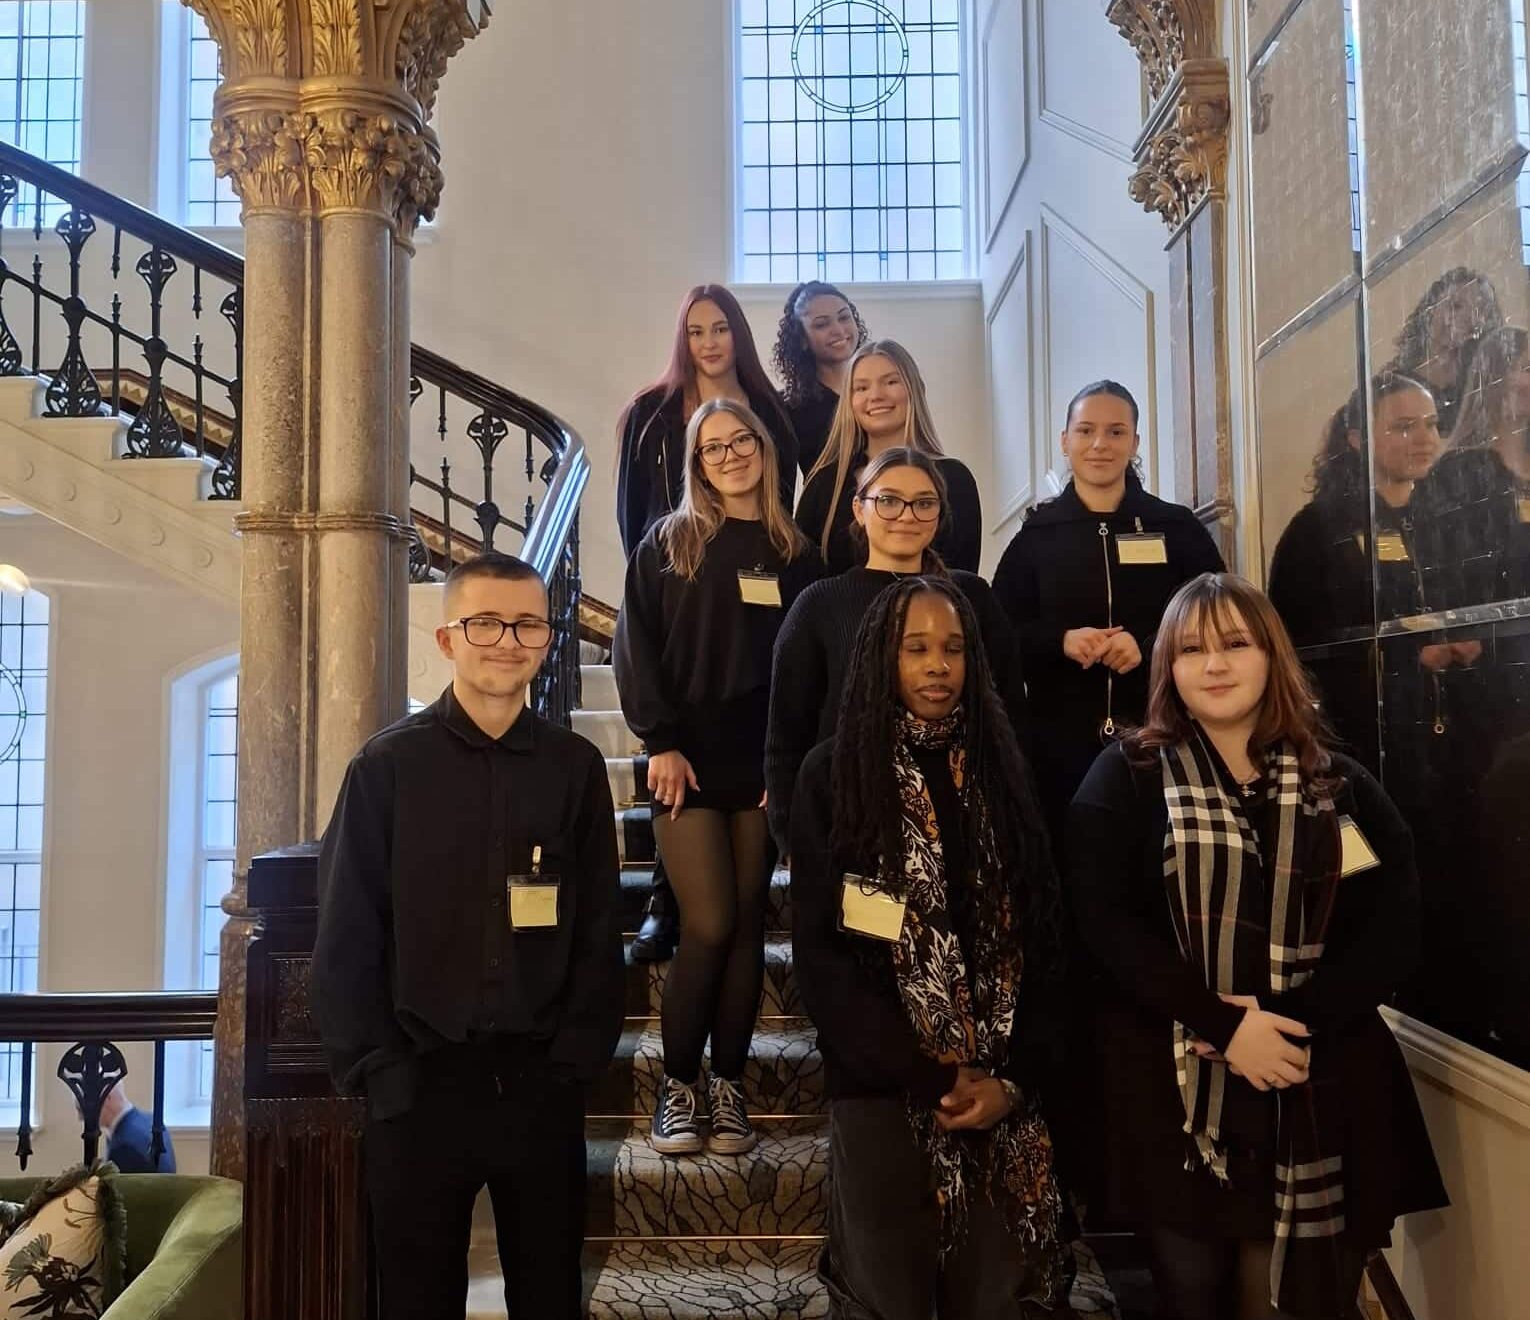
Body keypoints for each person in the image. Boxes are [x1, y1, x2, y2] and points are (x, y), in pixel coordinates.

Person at [1068, 572, 1446, 1320]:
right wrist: (1224, 1025)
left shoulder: (1339, 786)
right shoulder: (1126, 778)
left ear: (1272, 656)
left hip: (1321, 1074)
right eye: (1192, 649)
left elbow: (1395, 926)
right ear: (1166, 668)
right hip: (1176, 1096)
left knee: (1306, 1301)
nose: (1214, 665)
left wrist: (1285, 1017)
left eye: (1235, 645)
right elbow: (1105, 925)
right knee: (1195, 1297)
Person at [311, 551, 625, 1320]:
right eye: (485, 622)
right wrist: (379, 1071)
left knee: (551, 1296)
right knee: (417, 1302)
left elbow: (596, 928)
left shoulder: (575, 768)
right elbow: (348, 931)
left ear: (547, 642)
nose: (505, 640)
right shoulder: (385, 768)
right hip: (418, 1088)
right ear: (449, 638)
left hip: (537, 1085)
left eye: (525, 624)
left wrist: (573, 1061)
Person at [790, 575, 1071, 1320]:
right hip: (882, 1090)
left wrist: (1008, 1083)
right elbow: (822, 957)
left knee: (1001, 1300)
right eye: (915, 649)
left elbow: (1047, 941)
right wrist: (927, 1074)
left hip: (1004, 1090)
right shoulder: (831, 775)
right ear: (883, 658)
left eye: (952, 649)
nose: (937, 666)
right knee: (886, 1301)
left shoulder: (1011, 773)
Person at [612, 398, 820, 1157]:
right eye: (712, 448)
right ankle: (680, 1087)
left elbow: (804, 672)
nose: (730, 455)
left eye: (742, 442)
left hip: (761, 766)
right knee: (708, 923)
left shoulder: (794, 551)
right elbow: (636, 647)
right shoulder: (669, 543)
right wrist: (659, 741)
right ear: (696, 464)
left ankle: (727, 1088)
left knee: (744, 934)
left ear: (764, 449)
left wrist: (787, 761)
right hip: (684, 764)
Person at [992, 379, 1224, 849]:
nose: (1100, 444)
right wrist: (1060, 641)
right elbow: (999, 633)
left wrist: (1147, 643)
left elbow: (1216, 615)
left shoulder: (1176, 527)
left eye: (1116, 432)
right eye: (1086, 431)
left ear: (1135, 442)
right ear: (1065, 440)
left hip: (1164, 731)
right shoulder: (1035, 537)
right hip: (1059, 746)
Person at [766, 447, 1027, 853]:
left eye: (924, 503)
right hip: (852, 821)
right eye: (888, 501)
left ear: (939, 513)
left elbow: (1010, 712)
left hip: (964, 818)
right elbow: (786, 736)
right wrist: (792, 842)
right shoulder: (819, 603)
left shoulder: (971, 596)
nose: (907, 515)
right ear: (859, 508)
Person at [617, 283, 798, 557]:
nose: (709, 343)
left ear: (738, 334)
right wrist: (644, 575)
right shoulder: (650, 412)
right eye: (696, 333)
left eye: (720, 329)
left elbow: (781, 503)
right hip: (669, 564)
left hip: (753, 564)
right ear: (683, 341)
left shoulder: (771, 411)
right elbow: (631, 509)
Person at [796, 340, 983, 573]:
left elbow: (963, 580)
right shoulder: (824, 485)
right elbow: (803, 581)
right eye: (861, 388)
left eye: (891, 382)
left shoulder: (955, 479)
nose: (876, 396)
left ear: (914, 390)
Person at [1392, 266, 1503, 439]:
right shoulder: (1396, 384)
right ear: (1429, 311)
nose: (1469, 318)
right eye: (1454, 305)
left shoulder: (1485, 386)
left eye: (1479, 311)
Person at [772, 280, 869, 477]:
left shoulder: (880, 388)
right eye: (822, 324)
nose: (838, 330)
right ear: (802, 339)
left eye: (844, 317)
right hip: (824, 507)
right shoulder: (788, 408)